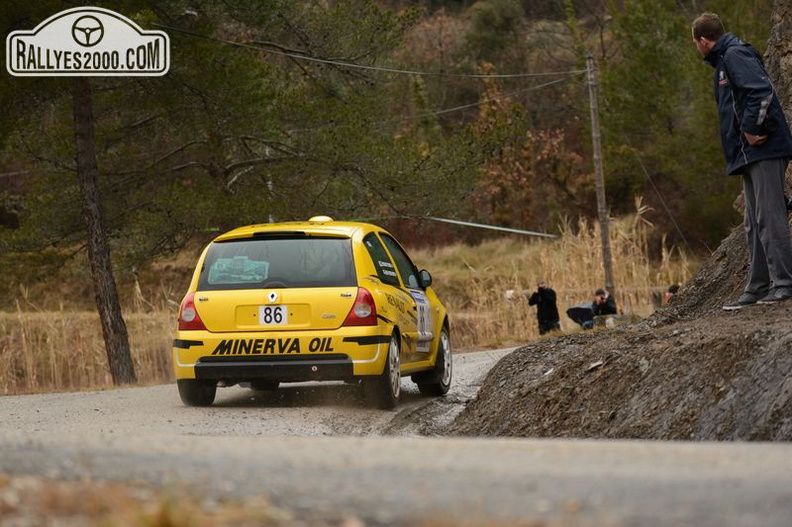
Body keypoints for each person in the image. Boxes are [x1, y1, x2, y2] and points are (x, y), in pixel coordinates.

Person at [692, 13, 792, 310]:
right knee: (753, 222)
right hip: (748, 155)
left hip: (765, 149)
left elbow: (761, 93)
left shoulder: (735, 56)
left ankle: (784, 284)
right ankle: (758, 286)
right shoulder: (724, 61)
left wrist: (751, 129)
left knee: (770, 216)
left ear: (702, 40)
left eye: (695, 44)